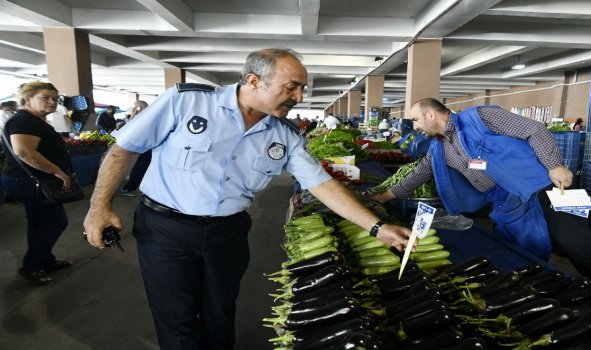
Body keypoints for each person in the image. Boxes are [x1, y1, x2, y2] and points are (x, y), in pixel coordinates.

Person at [83, 48, 412, 350]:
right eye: (292, 87)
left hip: (228, 233)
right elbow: (124, 148)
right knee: (177, 316)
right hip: (166, 229)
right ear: (254, 81)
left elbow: (321, 184)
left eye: (302, 89)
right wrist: (99, 206)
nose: (299, 96)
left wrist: (377, 226)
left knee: (220, 311)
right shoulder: (186, 103)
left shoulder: (283, 136)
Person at [370, 98, 591, 310]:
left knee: (576, 243)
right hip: (505, 203)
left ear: (431, 114)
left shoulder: (481, 117)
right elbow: (419, 174)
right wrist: (384, 197)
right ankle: (554, 303)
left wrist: (555, 165)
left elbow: (533, 129)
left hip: (541, 188)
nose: (415, 127)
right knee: (522, 254)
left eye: (416, 120)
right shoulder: (440, 148)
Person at [1, 82, 73, 285]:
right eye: (45, 97)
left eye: (55, 98)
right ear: (27, 99)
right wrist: (57, 171)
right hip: (27, 181)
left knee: (39, 222)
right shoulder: (25, 121)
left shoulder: (33, 119)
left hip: (29, 180)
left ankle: (45, 260)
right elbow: (23, 151)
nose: (52, 102)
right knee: (54, 222)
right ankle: (32, 266)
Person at [118, 100, 150, 196]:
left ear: (140, 108)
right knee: (139, 167)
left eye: (135, 107)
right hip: (140, 147)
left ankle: (130, 188)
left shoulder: (147, 117)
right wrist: (132, 116)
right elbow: (127, 128)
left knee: (139, 168)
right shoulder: (139, 116)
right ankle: (132, 187)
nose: (133, 109)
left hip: (145, 147)